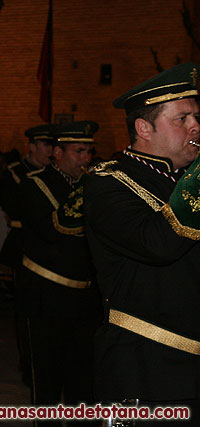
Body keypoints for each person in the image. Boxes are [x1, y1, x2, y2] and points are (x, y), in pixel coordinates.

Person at [84, 62, 200, 425]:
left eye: (197, 116)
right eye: (182, 118)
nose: (196, 126)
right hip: (146, 366)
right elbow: (159, 243)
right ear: (143, 128)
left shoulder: (185, 178)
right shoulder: (108, 182)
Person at [18, 121, 100, 424]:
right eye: (79, 151)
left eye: (89, 151)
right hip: (47, 294)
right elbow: (55, 230)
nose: (86, 158)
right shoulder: (34, 183)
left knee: (84, 379)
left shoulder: (91, 184)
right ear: (56, 152)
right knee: (47, 378)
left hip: (86, 295)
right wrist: (85, 191)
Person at [0, 124, 55, 386]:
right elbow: (12, 207)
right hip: (24, 244)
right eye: (45, 145)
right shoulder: (15, 174)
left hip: (52, 246)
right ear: (32, 146)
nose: (50, 151)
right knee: (27, 309)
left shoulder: (53, 174)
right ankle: (29, 362)